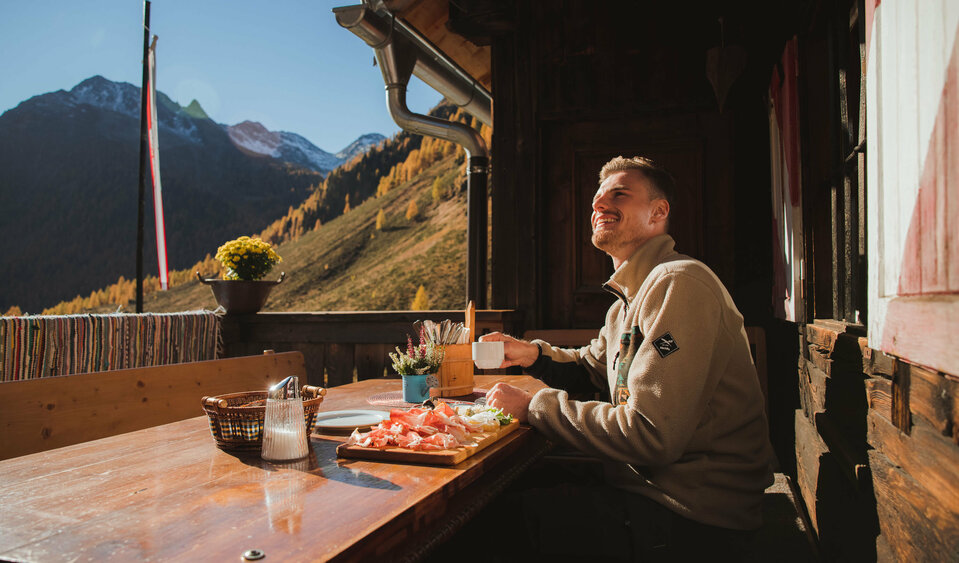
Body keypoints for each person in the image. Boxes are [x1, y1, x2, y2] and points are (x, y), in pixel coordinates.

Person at [482, 156, 774, 561]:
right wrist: (532, 355)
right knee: (503, 493)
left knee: (490, 529)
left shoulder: (678, 283)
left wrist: (534, 407)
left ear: (658, 212)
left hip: (694, 519)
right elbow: (592, 368)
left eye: (619, 194)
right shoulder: (629, 299)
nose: (599, 205)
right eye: (597, 199)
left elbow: (650, 433)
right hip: (645, 489)